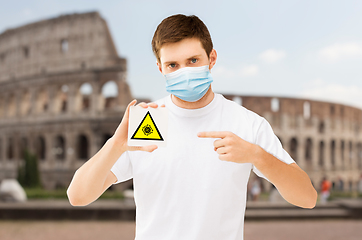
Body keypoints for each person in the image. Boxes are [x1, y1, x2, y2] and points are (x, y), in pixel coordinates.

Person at [67, 14, 317, 239]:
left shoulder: (246, 123)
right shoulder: (148, 121)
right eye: (172, 65)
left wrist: (257, 156)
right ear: (160, 68)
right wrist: (114, 146)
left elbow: (307, 197)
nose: (184, 72)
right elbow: (78, 196)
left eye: (193, 60)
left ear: (212, 58)